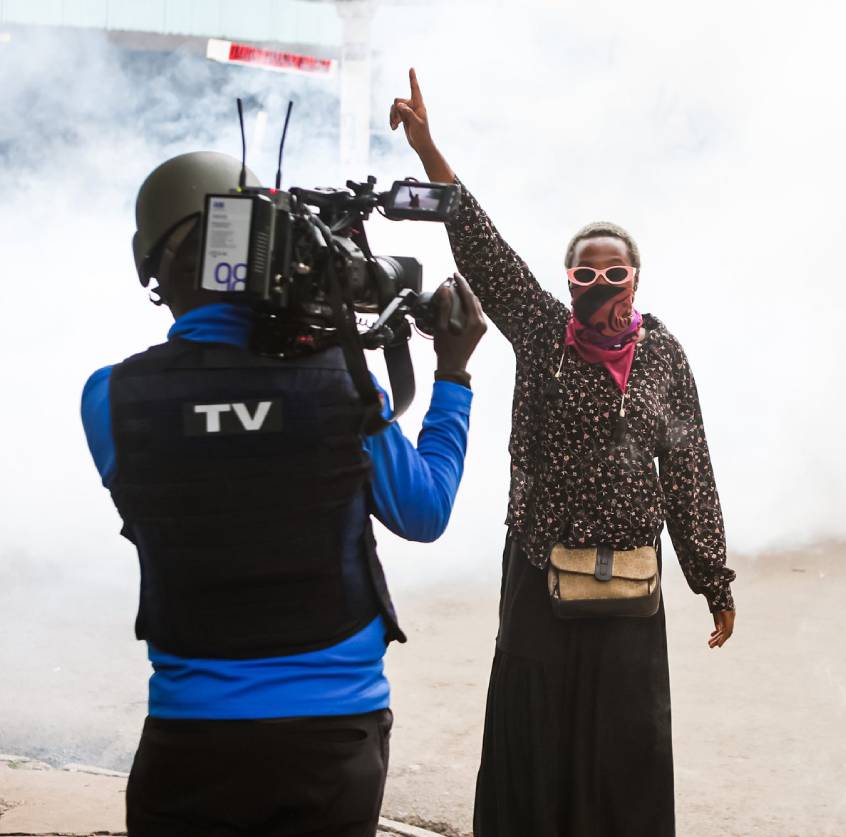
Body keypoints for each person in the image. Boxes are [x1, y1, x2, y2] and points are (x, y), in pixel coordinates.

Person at [80, 150, 487, 837]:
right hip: (331, 744)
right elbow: (424, 511)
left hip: (187, 741)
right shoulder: (342, 385)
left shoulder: (109, 400)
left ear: (155, 271)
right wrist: (452, 375)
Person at [390, 69, 736, 836]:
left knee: (626, 743)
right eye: (587, 272)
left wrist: (713, 578)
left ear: (636, 279)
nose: (602, 284)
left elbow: (688, 469)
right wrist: (429, 149)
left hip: (629, 590)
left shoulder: (663, 355)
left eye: (616, 272)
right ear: (566, 278)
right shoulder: (543, 330)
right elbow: (481, 247)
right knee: (533, 738)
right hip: (540, 575)